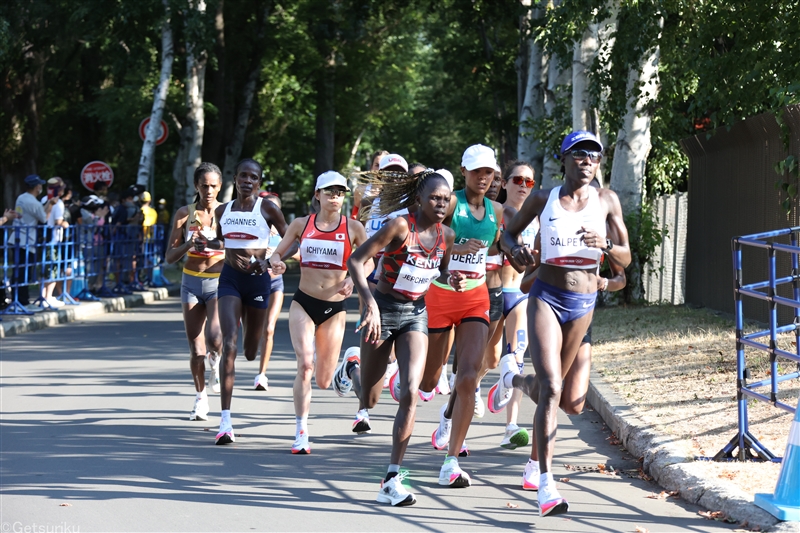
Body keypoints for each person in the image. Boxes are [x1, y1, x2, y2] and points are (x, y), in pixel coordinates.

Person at [496, 130, 631, 516]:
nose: (587, 161)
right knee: (553, 386)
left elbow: (626, 259)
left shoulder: (607, 201)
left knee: (558, 394)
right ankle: (545, 483)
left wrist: (604, 244)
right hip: (546, 299)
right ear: (565, 159)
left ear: (600, 163)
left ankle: (514, 379)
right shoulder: (544, 198)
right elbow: (507, 235)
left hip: (584, 304)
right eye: (579, 154)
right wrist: (516, 250)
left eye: (594, 156)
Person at [343, 170, 460, 506]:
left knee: (411, 391)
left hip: (415, 315)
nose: (441, 204)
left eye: (445, 198)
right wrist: (369, 305)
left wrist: (450, 278)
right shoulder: (399, 227)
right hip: (382, 309)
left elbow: (442, 267)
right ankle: (351, 368)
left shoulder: (446, 235)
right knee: (369, 398)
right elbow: (356, 260)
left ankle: (392, 476)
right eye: (435, 198)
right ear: (420, 199)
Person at [419, 144, 504, 487]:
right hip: (440, 297)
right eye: (477, 171)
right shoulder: (449, 202)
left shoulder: (497, 209)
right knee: (428, 382)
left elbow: (497, 245)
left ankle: (451, 461)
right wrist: (456, 249)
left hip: (475, 298)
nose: (484, 178)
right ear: (464, 171)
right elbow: (425, 239)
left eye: (489, 172)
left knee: (468, 376)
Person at [269, 171, 369, 454]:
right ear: (317, 195)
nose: (335, 197)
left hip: (335, 308)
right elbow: (278, 253)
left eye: (339, 192)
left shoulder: (354, 228)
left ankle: (346, 367)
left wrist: (353, 279)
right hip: (303, 302)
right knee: (305, 364)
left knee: (323, 380)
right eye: (329, 191)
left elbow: (371, 260)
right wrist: (276, 262)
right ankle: (301, 430)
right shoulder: (302, 224)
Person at [204, 158, 288, 445]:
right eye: (243, 176)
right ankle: (225, 421)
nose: (247, 181)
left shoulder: (267, 208)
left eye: (253, 177)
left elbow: (292, 240)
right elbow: (220, 241)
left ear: (259, 183)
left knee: (250, 349)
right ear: (236, 178)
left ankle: (252, 355)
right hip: (229, 279)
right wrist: (206, 243)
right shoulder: (222, 210)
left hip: (258, 281)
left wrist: (270, 260)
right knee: (229, 342)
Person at [483, 161, 538, 450]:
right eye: (518, 179)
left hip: (520, 296)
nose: (523, 186)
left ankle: (511, 426)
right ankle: (451, 415)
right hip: (491, 292)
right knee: (487, 362)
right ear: (504, 183)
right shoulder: (493, 213)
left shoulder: (539, 219)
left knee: (517, 355)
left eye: (529, 182)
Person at [165, 163, 225, 422]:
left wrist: (213, 243)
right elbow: (169, 257)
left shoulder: (227, 212)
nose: (208, 191)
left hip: (219, 282)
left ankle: (217, 359)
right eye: (204, 186)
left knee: (215, 339)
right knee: (196, 348)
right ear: (196, 187)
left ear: (220, 186)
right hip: (191, 282)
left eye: (213, 186)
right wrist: (190, 242)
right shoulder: (184, 214)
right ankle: (201, 398)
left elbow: (236, 245)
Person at [253, 193, 290, 392]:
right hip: (254, 285)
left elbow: (299, 251)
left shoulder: (285, 234)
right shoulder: (254, 229)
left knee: (269, 328)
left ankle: (261, 375)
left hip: (276, 285)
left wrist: (281, 260)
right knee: (253, 330)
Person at [12, 175, 55, 305]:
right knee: (24, 273)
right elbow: (43, 218)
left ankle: (17, 300)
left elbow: (38, 212)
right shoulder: (34, 203)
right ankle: (23, 302)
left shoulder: (21, 197)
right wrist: (51, 205)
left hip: (15, 238)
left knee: (17, 271)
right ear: (37, 187)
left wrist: (48, 203)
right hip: (27, 241)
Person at [40, 177, 70, 308]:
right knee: (53, 268)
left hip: (43, 239)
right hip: (53, 239)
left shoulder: (43, 200)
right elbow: (58, 221)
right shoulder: (58, 203)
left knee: (45, 269)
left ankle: (44, 296)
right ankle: (48, 296)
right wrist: (65, 223)